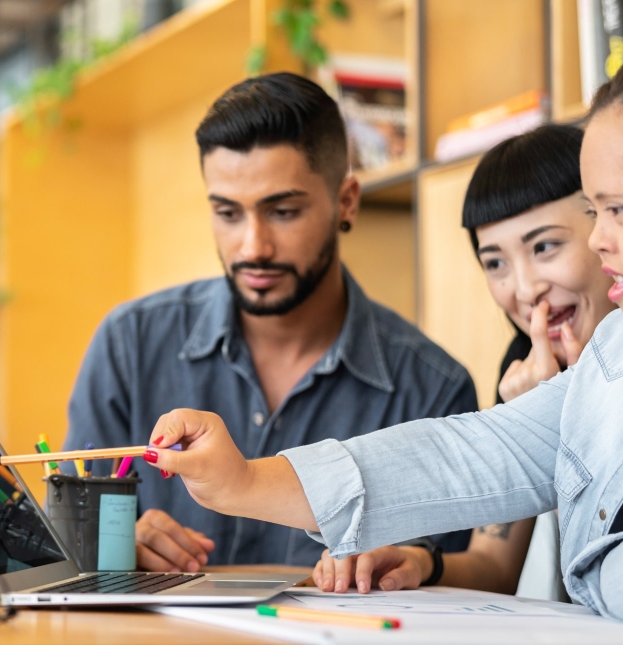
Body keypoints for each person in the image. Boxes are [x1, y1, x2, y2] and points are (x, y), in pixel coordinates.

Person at [140, 43, 623, 634]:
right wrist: (247, 480)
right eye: (594, 210)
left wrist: (586, 571)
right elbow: (476, 451)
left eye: (616, 210)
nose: (599, 238)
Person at [62, 72, 488, 573]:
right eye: (227, 213)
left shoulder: (432, 392)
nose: (252, 247)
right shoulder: (130, 344)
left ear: (346, 201)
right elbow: (68, 537)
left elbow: (445, 587)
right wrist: (110, 545)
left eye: (282, 211)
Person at [313, 125, 618, 596]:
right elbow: (494, 566)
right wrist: (420, 562)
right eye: (495, 262)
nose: (523, 289)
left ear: (607, 228)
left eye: (544, 247)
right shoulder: (524, 369)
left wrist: (572, 418)